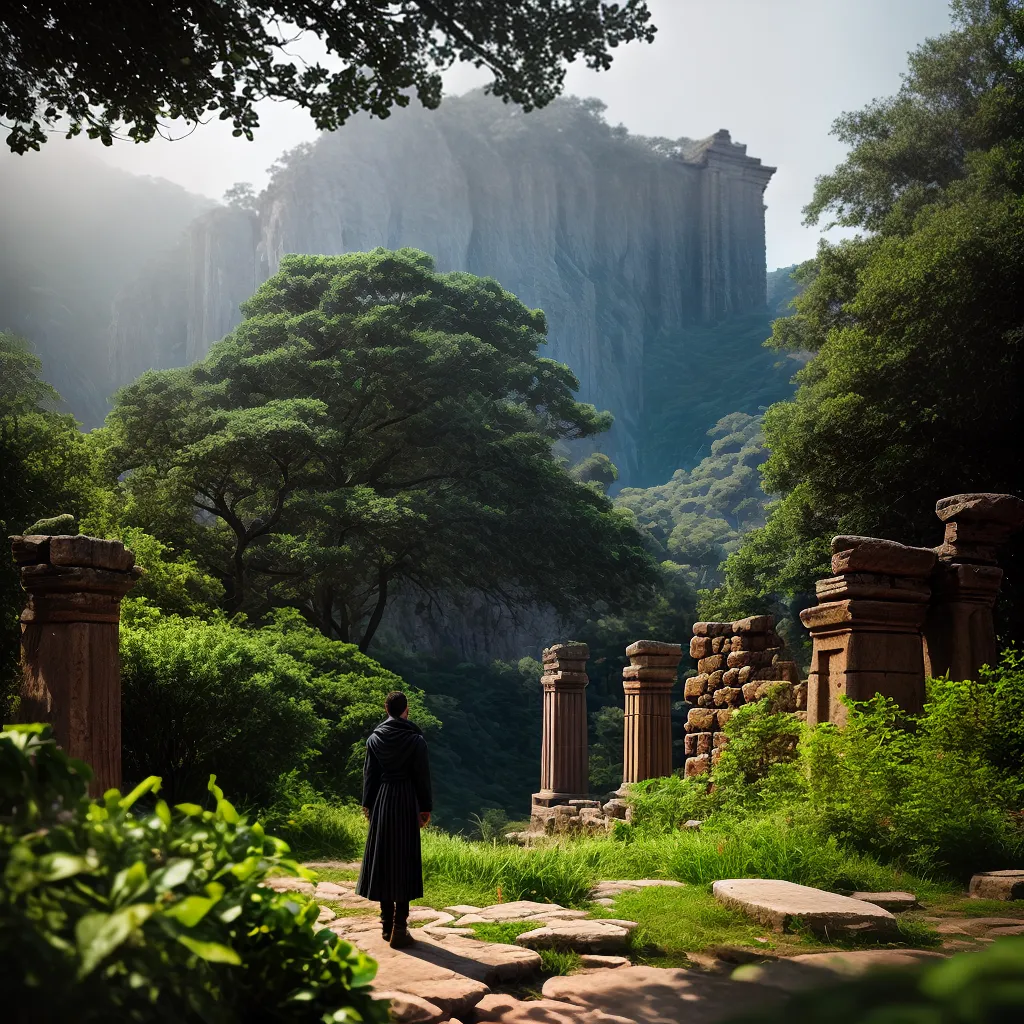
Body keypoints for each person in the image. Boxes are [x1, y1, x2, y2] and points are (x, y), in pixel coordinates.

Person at [355, 690, 432, 948]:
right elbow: (422, 777)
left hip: (383, 800)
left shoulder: (374, 739)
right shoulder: (415, 740)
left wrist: (368, 804)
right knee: (405, 858)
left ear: (386, 710)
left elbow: (370, 775)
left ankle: (386, 924)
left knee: (384, 858)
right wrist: (425, 808)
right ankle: (401, 926)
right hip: (407, 799)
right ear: (405, 710)